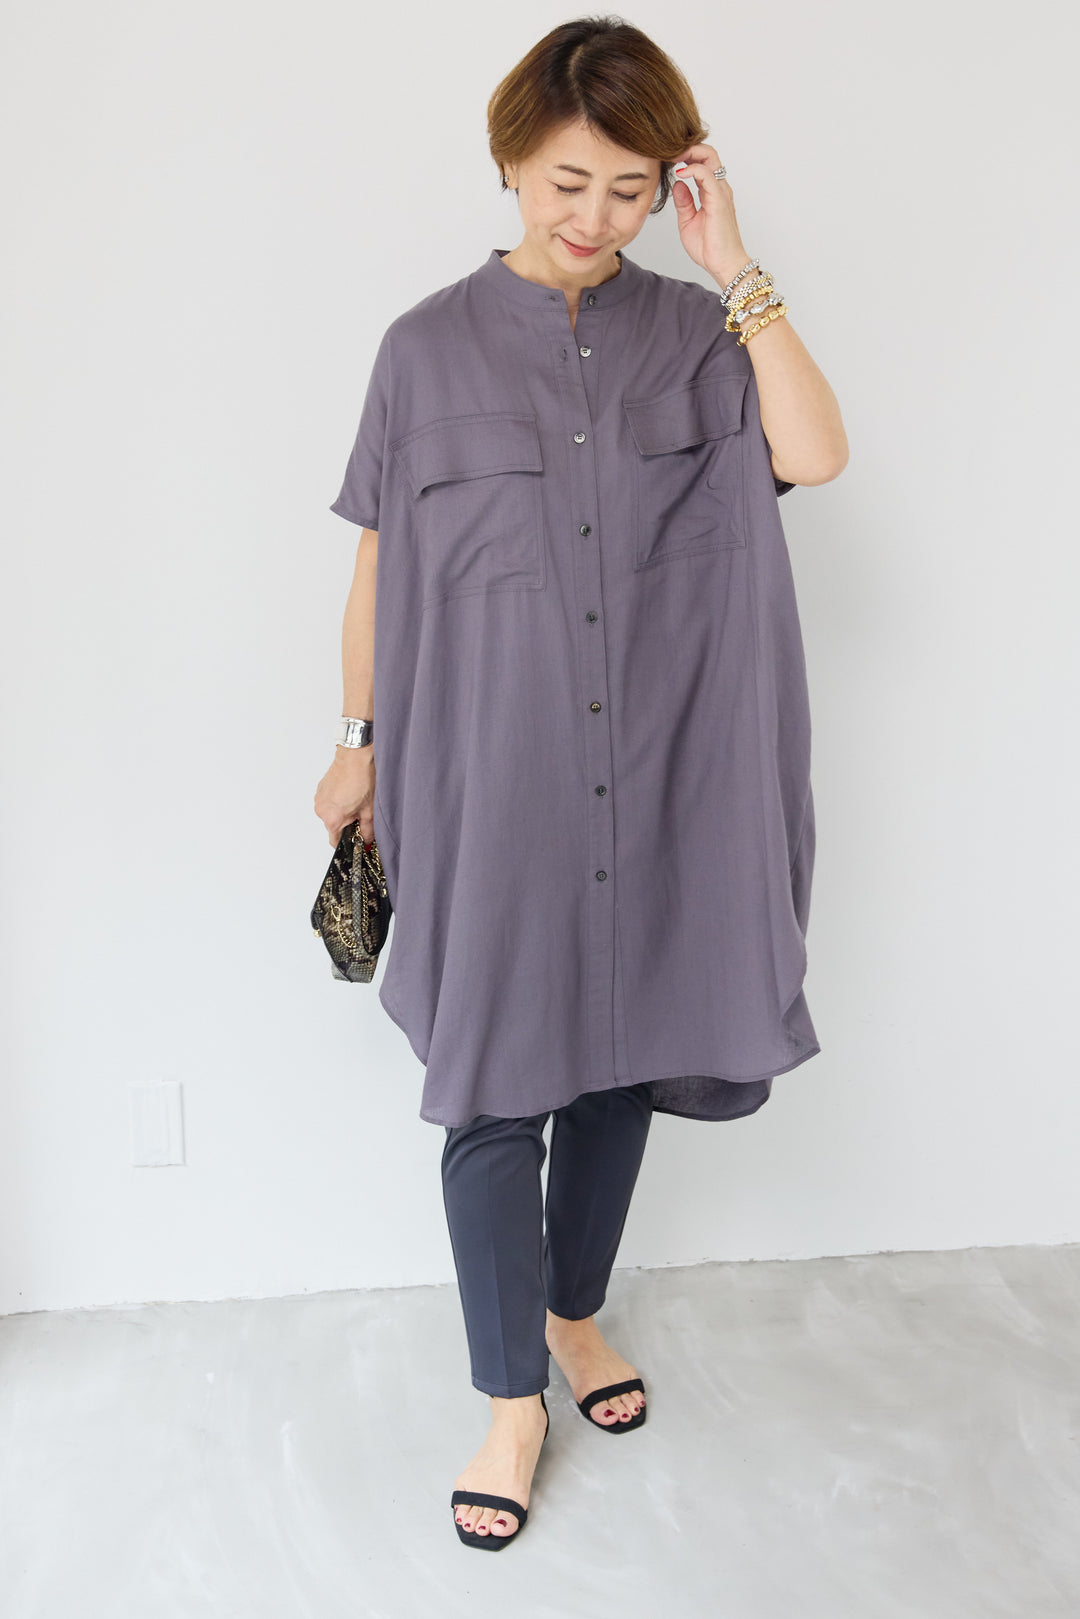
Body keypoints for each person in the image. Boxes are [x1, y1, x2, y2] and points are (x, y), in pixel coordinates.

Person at [314, 16, 848, 1551]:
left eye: (629, 188)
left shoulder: (701, 335)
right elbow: (378, 568)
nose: (595, 217)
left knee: (620, 1066)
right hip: (490, 776)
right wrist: (355, 743)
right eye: (567, 182)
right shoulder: (423, 350)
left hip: (670, 770)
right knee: (496, 1085)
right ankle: (509, 1398)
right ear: (510, 162)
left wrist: (734, 265)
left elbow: (816, 454)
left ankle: (573, 1311)